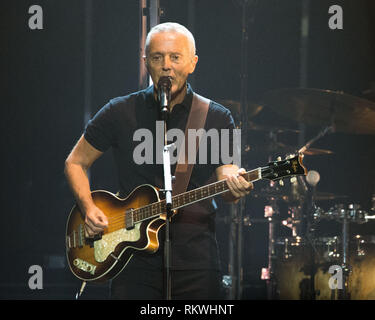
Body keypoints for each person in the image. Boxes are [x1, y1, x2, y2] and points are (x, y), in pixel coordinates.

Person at [64, 22, 253, 300]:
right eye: (157, 57)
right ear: (146, 63)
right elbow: (75, 162)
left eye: (175, 57)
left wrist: (234, 185)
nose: (166, 65)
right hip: (132, 261)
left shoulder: (218, 116)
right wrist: (88, 207)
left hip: (196, 260)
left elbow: (228, 183)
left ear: (192, 63)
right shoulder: (119, 111)